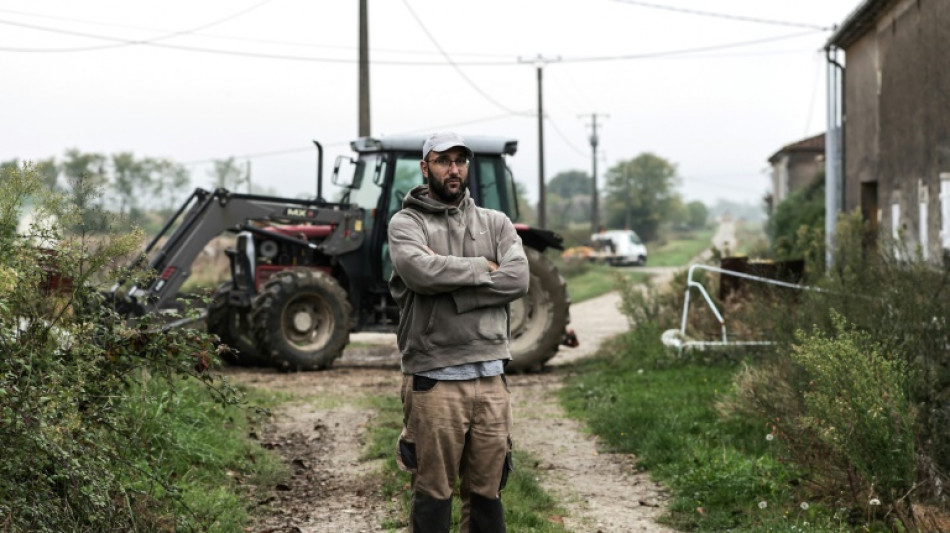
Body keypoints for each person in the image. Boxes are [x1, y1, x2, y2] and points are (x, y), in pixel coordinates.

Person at [387, 131, 530, 532]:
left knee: (487, 492)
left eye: (460, 161)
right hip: (435, 379)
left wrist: (453, 289)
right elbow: (418, 271)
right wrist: (484, 267)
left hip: (491, 377)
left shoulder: (495, 222)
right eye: (443, 160)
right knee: (433, 492)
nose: (454, 169)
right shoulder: (406, 223)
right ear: (425, 167)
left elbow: (518, 279)